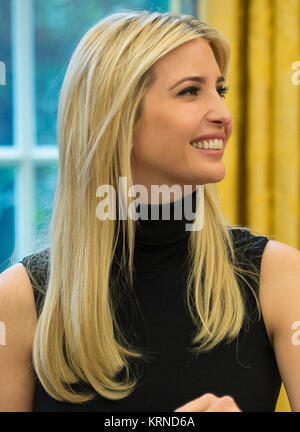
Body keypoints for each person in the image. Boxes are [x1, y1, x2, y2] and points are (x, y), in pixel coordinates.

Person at [0, 10, 300, 413]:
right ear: (118, 116)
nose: (224, 116)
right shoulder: (17, 301)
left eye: (220, 91)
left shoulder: (280, 279)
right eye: (191, 91)